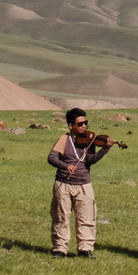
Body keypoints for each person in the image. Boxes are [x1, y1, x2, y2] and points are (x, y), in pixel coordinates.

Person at [46, 107, 114, 258]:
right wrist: (65, 166)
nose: (84, 126)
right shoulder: (64, 139)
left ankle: (85, 249)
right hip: (63, 184)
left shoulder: (90, 140)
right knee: (61, 217)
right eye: (80, 124)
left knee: (86, 217)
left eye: (86, 123)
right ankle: (60, 249)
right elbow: (51, 158)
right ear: (71, 126)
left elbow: (90, 160)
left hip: (84, 185)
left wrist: (105, 149)